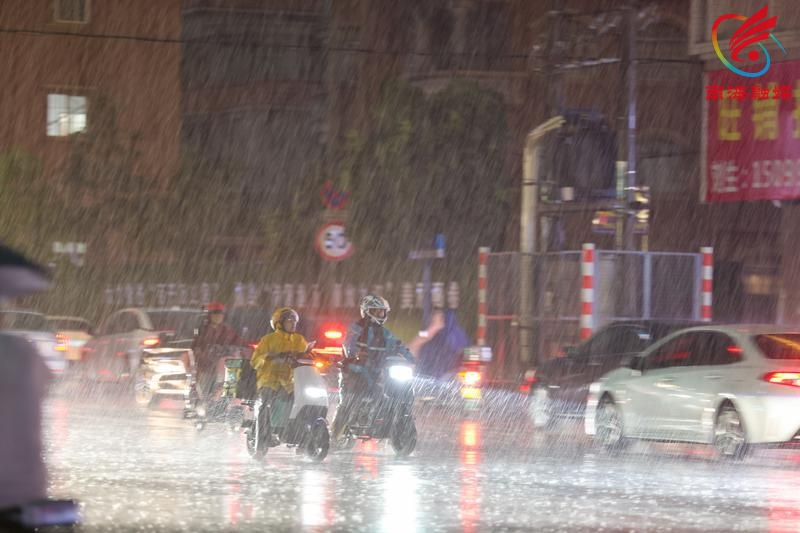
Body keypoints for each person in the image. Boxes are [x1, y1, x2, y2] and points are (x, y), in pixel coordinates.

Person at [331, 294, 414, 444]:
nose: (382, 315)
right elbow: (349, 344)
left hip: (377, 371)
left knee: (391, 392)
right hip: (355, 371)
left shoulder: (385, 333)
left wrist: (411, 360)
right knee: (350, 400)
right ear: (368, 311)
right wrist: (356, 354)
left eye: (383, 312)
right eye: (378, 311)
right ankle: (337, 433)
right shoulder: (356, 328)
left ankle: (389, 421)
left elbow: (398, 344)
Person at [250, 307, 309, 442]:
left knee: (303, 402)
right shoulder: (268, 339)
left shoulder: (299, 340)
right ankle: (264, 434)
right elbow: (254, 362)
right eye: (289, 320)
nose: (293, 323)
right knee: (266, 403)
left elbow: (307, 354)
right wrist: (270, 357)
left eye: (294, 321)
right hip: (269, 380)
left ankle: (296, 433)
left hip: (289, 382)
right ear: (279, 323)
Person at [191, 301, 242, 410]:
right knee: (205, 382)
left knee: (231, 378)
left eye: (220, 314)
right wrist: (205, 352)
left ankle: (228, 400)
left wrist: (233, 350)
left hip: (225, 364)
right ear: (210, 316)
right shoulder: (203, 330)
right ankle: (206, 400)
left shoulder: (228, 331)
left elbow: (238, 344)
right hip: (207, 366)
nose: (218, 317)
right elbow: (196, 346)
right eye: (215, 314)